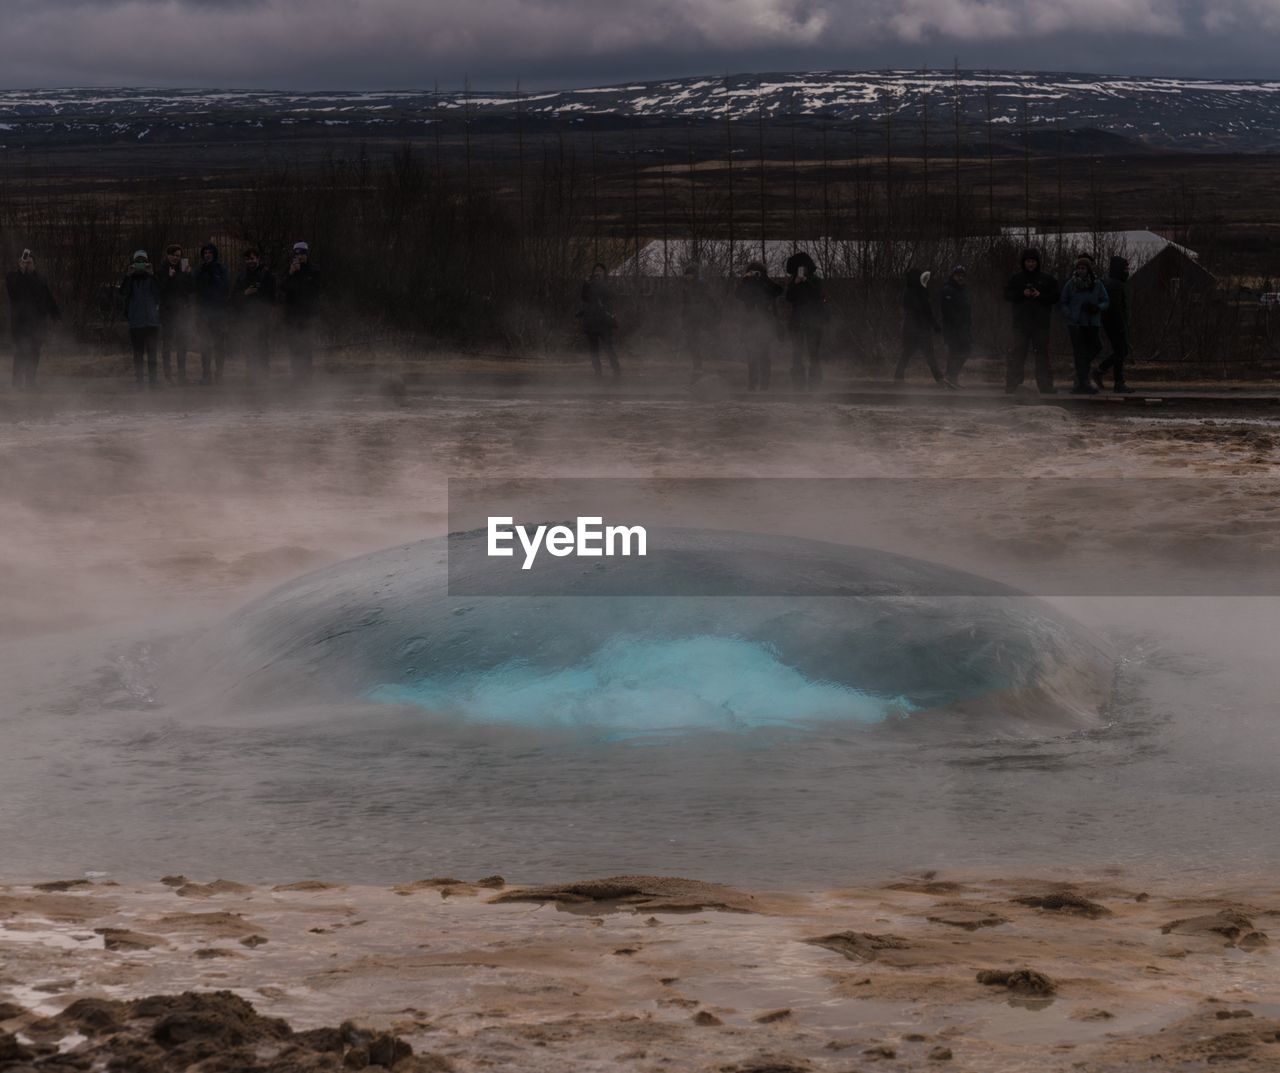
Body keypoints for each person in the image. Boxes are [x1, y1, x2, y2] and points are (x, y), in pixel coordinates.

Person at [1002, 248, 1059, 394]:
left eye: (1033, 261)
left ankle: (1046, 386)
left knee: (1042, 356)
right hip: (1021, 324)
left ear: (1037, 262)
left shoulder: (1047, 278)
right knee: (1017, 354)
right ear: (1024, 262)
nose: (1030, 264)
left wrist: (1040, 295)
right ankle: (1012, 385)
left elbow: (1056, 297)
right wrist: (1022, 293)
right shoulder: (1016, 278)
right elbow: (1006, 294)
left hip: (1041, 324)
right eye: (1028, 261)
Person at [5, 249, 59, 389]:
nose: (28, 265)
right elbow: (13, 291)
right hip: (20, 324)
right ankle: (17, 383)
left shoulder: (40, 278)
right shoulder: (13, 277)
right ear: (20, 263)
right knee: (21, 353)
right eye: (25, 263)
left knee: (34, 354)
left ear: (34, 264)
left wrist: (55, 313)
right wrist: (21, 272)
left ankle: (30, 382)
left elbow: (47, 297)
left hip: (37, 324)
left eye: (30, 263)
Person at [1060, 254, 1110, 395]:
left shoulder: (1097, 284)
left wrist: (1097, 307)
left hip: (1092, 322)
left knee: (1095, 347)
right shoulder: (1071, 284)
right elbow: (1063, 302)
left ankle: (1081, 372)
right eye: (1079, 268)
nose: (1081, 270)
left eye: (1083, 268)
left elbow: (1106, 300)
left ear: (1088, 269)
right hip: (1076, 323)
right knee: (1078, 352)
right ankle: (1082, 382)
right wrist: (1069, 314)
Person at [734, 261, 782, 391]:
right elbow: (737, 294)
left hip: (764, 323)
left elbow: (778, 290)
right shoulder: (747, 285)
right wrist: (745, 279)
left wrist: (764, 278)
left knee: (764, 356)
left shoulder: (766, 284)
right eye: (752, 272)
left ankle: (764, 385)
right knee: (751, 356)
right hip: (750, 324)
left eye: (757, 272)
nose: (754, 275)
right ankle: (752, 385)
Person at [784, 250, 827, 390]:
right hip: (798, 321)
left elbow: (818, 296)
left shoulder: (816, 281)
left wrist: (806, 282)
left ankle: (814, 385)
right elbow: (788, 298)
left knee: (813, 354)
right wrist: (795, 284)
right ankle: (798, 384)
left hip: (813, 322)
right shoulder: (793, 282)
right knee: (797, 353)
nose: (801, 271)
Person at [119, 250, 162, 387]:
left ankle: (153, 381)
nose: (140, 265)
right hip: (136, 323)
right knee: (138, 354)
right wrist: (127, 275)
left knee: (152, 354)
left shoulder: (151, 278)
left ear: (147, 262)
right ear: (133, 263)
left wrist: (152, 275)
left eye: (143, 262)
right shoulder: (130, 280)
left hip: (151, 323)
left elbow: (159, 292)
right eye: (138, 262)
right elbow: (123, 292)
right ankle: (140, 381)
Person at [279, 241, 321, 381]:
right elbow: (282, 288)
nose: (300, 257)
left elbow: (314, 290)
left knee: (306, 346)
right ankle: (297, 374)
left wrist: (300, 275)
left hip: (307, 314)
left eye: (302, 254)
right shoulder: (289, 270)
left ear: (307, 254)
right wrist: (291, 274)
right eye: (297, 254)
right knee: (294, 346)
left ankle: (307, 374)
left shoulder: (314, 270)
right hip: (292, 315)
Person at [233, 248, 277, 382]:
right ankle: (251, 373)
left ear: (258, 259)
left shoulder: (267, 274)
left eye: (252, 258)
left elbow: (273, 295)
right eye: (247, 259)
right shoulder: (241, 276)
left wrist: (259, 295)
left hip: (262, 315)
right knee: (250, 345)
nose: (250, 261)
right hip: (247, 316)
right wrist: (245, 294)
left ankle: (264, 373)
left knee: (262, 345)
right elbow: (234, 297)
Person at [896, 267, 945, 385]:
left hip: (913, 328)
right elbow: (925, 310)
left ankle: (898, 376)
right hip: (919, 328)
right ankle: (939, 378)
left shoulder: (911, 291)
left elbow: (923, 310)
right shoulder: (918, 291)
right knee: (928, 354)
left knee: (908, 353)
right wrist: (934, 324)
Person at [156, 244, 195, 383]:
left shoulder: (183, 270)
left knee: (182, 344)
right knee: (167, 344)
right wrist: (169, 277)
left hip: (182, 312)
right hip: (167, 312)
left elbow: (191, 290)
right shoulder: (161, 270)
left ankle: (181, 375)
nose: (176, 258)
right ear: (167, 255)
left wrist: (189, 275)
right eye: (173, 255)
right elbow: (159, 291)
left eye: (178, 255)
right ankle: (168, 375)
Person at [1095, 255, 1133, 394]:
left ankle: (1101, 371)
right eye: (1125, 268)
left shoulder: (1110, 283)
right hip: (1115, 324)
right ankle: (1118, 382)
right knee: (1121, 352)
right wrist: (1121, 325)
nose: (1127, 271)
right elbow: (1115, 309)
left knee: (1121, 352)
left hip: (1111, 323)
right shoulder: (1115, 285)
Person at [193, 243, 229, 384]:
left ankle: (219, 374)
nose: (207, 254)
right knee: (205, 345)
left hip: (218, 312)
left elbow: (225, 288)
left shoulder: (221, 269)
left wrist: (213, 273)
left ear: (214, 254)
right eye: (205, 252)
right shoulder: (199, 270)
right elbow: (194, 288)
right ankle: (206, 374)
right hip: (203, 312)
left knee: (219, 345)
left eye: (210, 252)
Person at [579, 263, 620, 376]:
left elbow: (609, 295)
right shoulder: (590, 284)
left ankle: (616, 370)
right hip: (591, 321)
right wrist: (586, 284)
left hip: (604, 322)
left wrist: (598, 283)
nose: (597, 272)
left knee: (609, 347)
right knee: (593, 350)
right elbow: (584, 298)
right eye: (596, 270)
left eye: (600, 271)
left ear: (604, 272)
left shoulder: (607, 284)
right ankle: (598, 372)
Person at [679, 262, 715, 377]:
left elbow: (709, 300)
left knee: (696, 342)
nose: (687, 277)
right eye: (686, 275)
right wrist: (684, 316)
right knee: (692, 342)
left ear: (693, 274)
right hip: (690, 317)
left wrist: (706, 314)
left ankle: (698, 366)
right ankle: (696, 366)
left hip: (699, 317)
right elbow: (685, 303)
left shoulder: (701, 284)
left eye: (689, 275)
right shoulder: (687, 286)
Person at [939, 265, 971, 386]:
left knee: (965, 349)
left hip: (963, 327)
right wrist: (957, 322)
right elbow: (947, 310)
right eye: (958, 275)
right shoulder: (948, 289)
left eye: (962, 275)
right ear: (953, 275)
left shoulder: (962, 290)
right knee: (955, 351)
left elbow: (967, 309)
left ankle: (952, 376)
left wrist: (968, 323)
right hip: (952, 327)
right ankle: (950, 376)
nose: (960, 277)